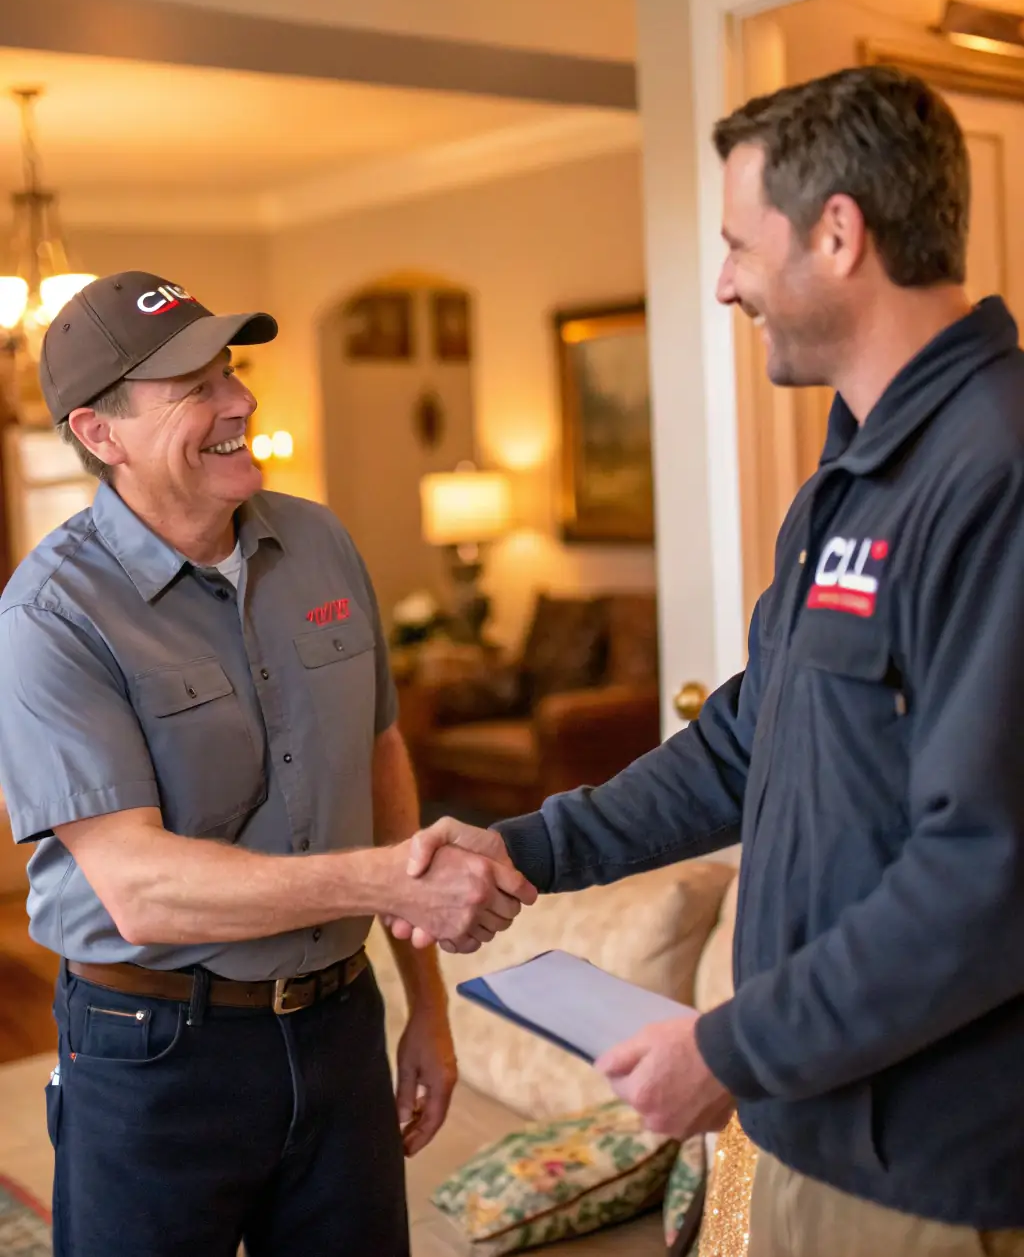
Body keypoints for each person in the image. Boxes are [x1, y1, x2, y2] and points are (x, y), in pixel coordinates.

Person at [390, 68, 1024, 1257]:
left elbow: (987, 875)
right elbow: (749, 736)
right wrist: (526, 847)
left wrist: (726, 1049)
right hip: (811, 1123)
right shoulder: (850, 475)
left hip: (929, 1168)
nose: (724, 281)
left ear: (839, 233)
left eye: (738, 243)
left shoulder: (995, 471)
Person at [0, 270, 537, 1257]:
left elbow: (379, 759)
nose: (239, 401)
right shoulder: (51, 617)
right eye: (192, 388)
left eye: (230, 370)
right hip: (154, 1049)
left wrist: (427, 1011)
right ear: (98, 434)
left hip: (338, 1026)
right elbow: (144, 891)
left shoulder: (323, 543)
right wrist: (397, 883)